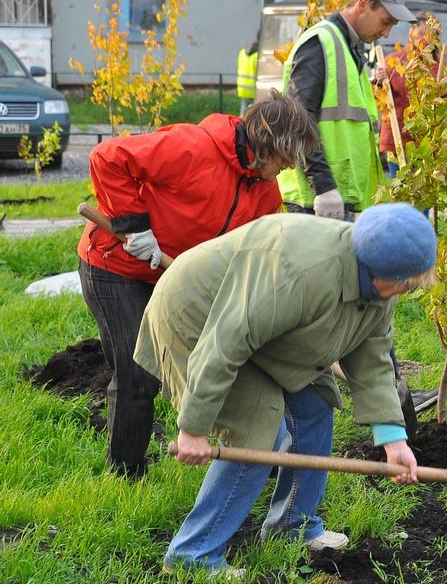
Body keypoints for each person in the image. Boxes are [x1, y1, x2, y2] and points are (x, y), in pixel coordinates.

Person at [133, 204, 434, 574]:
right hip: (197, 316)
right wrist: (193, 428)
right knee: (256, 431)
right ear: (380, 270)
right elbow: (225, 343)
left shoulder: (379, 288)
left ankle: (292, 526)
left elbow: (371, 358)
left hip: (269, 332)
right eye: (407, 282)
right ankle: (191, 556)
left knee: (316, 401)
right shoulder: (300, 272)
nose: (409, 289)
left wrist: (394, 440)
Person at [77, 93, 320, 479]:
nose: (286, 170)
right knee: (138, 370)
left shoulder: (265, 193)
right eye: (284, 160)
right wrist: (135, 228)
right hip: (116, 265)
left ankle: (252, 458)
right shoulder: (193, 147)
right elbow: (108, 157)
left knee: (220, 360)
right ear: (267, 144)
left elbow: (259, 254)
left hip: (177, 280)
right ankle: (125, 476)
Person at [278, 0, 416, 221]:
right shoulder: (321, 41)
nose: (386, 34)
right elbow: (298, 118)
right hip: (317, 199)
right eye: (385, 22)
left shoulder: (349, 50)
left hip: (339, 197)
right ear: (363, 4)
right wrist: (322, 184)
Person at [377, 11, 440, 178]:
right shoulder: (394, 61)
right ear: (411, 34)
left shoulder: (437, 68)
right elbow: (380, 98)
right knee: (400, 189)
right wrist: (380, 80)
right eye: (421, 34)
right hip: (396, 139)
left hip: (424, 142)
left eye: (430, 35)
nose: (425, 40)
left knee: (424, 193)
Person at [236, 39, 258, 114]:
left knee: (244, 110)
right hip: (253, 89)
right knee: (254, 112)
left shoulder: (242, 53)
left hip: (242, 87)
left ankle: (240, 123)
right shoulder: (257, 56)